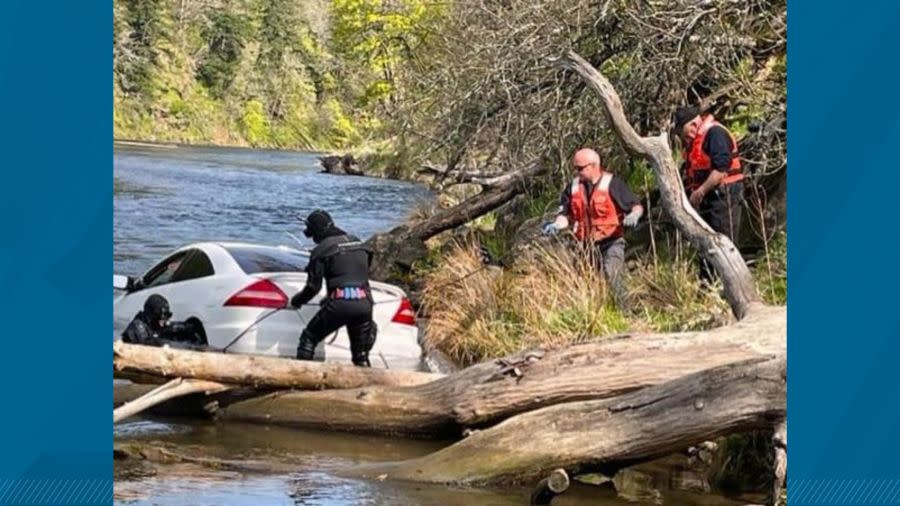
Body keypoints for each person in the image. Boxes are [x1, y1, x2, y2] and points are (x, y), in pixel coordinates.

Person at [543, 148, 644, 305]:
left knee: (612, 272)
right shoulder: (572, 188)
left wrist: (634, 215)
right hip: (585, 245)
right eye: (575, 168)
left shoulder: (613, 184)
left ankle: (626, 311)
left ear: (594, 165)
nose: (577, 172)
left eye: (580, 168)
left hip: (611, 241)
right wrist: (557, 224)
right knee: (585, 280)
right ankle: (595, 312)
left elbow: (635, 205)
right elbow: (565, 215)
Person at [291, 210, 377, 367]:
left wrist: (296, 301)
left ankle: (300, 382)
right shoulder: (358, 243)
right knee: (360, 356)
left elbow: (312, 288)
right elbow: (357, 276)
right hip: (365, 303)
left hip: (341, 304)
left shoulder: (321, 251)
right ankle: (367, 385)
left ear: (316, 231)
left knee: (309, 338)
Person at [673, 106, 746, 280]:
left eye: (685, 133)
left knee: (724, 242)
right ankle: (707, 283)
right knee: (707, 244)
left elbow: (721, 170)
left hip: (724, 196)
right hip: (709, 199)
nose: (686, 138)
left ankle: (730, 284)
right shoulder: (696, 140)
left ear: (692, 124)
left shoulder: (715, 134)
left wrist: (700, 191)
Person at [122, 294, 202, 346]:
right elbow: (150, 343)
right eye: (162, 317)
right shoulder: (137, 328)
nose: (165, 320)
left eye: (168, 316)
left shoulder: (153, 325)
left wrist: (186, 327)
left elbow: (168, 327)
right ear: (152, 315)